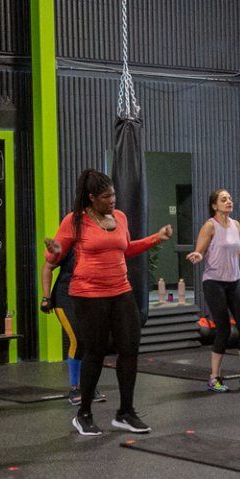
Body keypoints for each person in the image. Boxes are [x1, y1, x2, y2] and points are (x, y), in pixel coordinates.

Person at [45, 169, 171, 438]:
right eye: (106, 196)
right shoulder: (74, 221)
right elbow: (53, 256)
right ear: (92, 198)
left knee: (129, 349)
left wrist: (155, 238)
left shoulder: (120, 218)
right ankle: (84, 414)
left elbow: (125, 248)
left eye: (114, 194)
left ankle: (125, 412)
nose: (113, 199)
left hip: (121, 291)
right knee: (95, 352)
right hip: (88, 294)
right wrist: (55, 250)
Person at [187, 188, 240, 392]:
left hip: (234, 282)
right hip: (214, 282)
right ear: (214, 205)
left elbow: (237, 253)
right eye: (223, 199)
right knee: (224, 329)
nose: (228, 202)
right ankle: (214, 377)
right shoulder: (210, 226)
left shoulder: (236, 224)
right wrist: (198, 256)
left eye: (230, 199)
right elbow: (199, 252)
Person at [39, 239, 90, 406]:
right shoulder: (69, 245)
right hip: (64, 298)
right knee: (78, 339)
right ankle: (75, 388)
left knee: (91, 341)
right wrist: (46, 297)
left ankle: (88, 387)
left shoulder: (98, 244)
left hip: (87, 297)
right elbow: (47, 267)